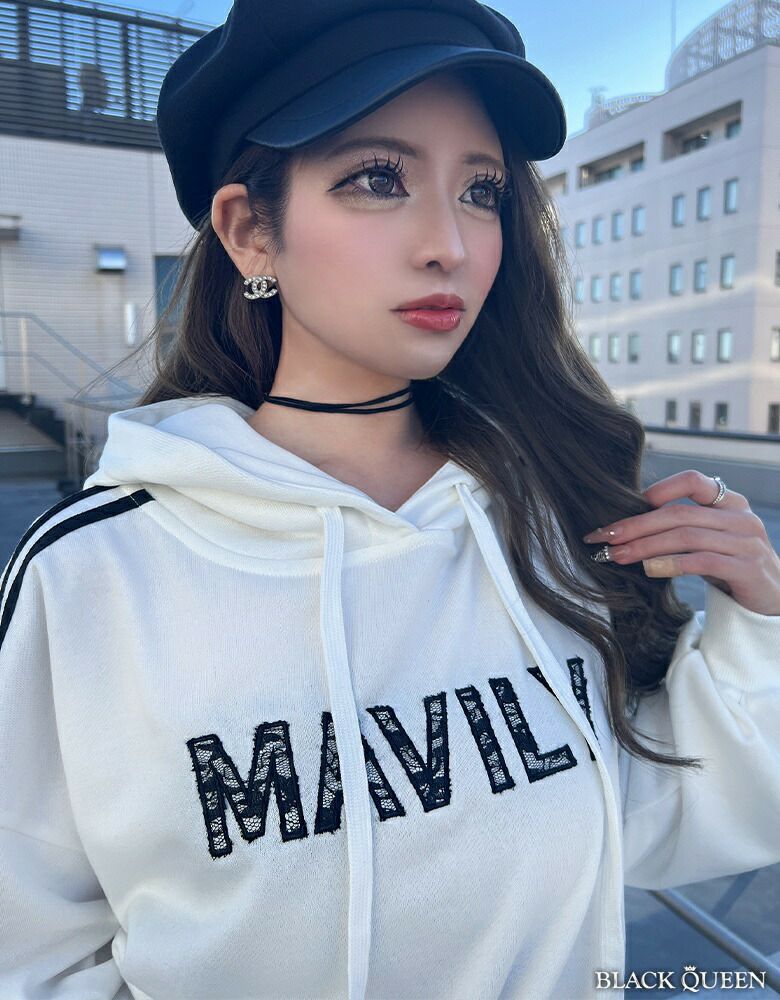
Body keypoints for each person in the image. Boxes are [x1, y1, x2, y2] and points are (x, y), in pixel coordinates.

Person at [1, 1, 779, 997]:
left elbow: (651, 812)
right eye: (379, 178)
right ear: (249, 232)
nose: (449, 243)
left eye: (482, 191)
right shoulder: (92, 573)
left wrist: (761, 623)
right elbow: (29, 947)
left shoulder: (542, 516)